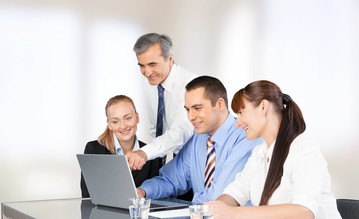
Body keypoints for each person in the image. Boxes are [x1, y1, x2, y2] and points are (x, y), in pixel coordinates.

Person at [206, 80, 348, 219]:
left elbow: (303, 213)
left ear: (263, 107)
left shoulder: (305, 149)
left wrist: (233, 214)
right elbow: (235, 193)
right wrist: (212, 211)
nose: (238, 123)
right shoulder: (259, 153)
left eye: (241, 112)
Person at [136, 76, 262, 203]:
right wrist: (143, 191)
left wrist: (189, 207)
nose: (190, 117)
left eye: (197, 108)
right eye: (187, 109)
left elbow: (219, 196)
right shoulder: (198, 138)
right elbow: (170, 180)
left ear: (219, 105)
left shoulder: (246, 137)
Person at [129, 33, 198, 170]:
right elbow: (155, 128)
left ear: (170, 59)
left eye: (152, 64)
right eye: (142, 65)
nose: (147, 72)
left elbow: (181, 131)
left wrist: (146, 152)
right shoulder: (149, 83)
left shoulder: (191, 85)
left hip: (194, 161)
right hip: (169, 162)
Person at [80, 95, 159, 198]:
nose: (123, 126)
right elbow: (87, 195)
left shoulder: (150, 153)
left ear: (137, 118)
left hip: (138, 213)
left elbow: (155, 196)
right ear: (109, 125)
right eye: (115, 121)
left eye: (128, 118)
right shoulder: (94, 149)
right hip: (103, 213)